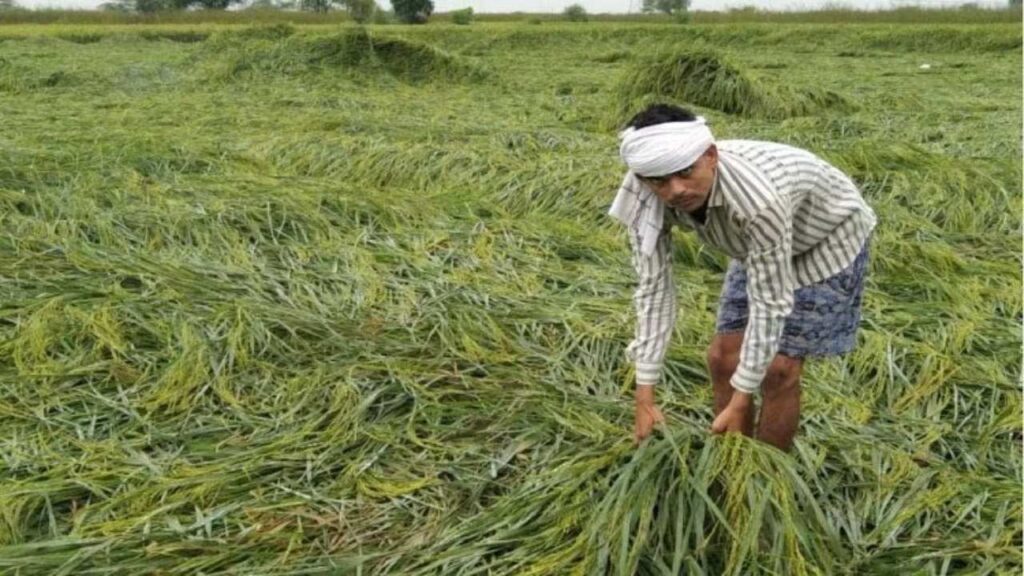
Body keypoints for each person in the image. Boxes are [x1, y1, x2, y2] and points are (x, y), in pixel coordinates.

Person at [610, 103, 876, 451]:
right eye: (659, 180)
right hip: (756, 244)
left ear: (710, 156)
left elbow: (770, 302)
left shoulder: (759, 201)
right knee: (723, 358)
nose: (675, 190)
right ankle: (731, 458)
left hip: (825, 238)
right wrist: (644, 395)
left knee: (779, 370)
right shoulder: (644, 193)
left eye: (686, 172)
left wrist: (741, 398)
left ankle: (765, 471)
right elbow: (654, 290)